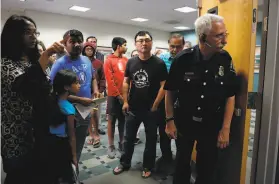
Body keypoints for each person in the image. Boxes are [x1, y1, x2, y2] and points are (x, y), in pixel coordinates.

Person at [164, 14, 237, 184]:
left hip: (211, 124)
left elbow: (230, 95)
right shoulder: (183, 59)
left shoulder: (225, 60)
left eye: (225, 34)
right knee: (181, 164)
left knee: (207, 168)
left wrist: (226, 128)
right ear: (203, 37)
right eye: (219, 35)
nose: (225, 40)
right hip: (185, 121)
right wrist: (169, 120)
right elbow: (170, 92)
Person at [1, 15, 65, 184]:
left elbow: (43, 87)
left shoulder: (30, 61)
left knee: (37, 175)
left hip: (37, 132)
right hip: (15, 134)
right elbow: (24, 86)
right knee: (18, 176)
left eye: (35, 32)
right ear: (13, 35)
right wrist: (46, 55)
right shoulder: (5, 62)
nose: (33, 37)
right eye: (27, 32)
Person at [113, 31, 168, 178]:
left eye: (147, 40)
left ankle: (147, 166)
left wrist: (156, 105)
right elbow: (126, 82)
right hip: (133, 108)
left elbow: (164, 86)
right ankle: (124, 163)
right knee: (128, 138)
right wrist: (125, 101)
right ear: (135, 43)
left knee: (150, 140)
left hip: (152, 109)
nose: (144, 43)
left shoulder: (159, 63)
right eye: (140, 41)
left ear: (151, 42)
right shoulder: (131, 62)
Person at [50, 29, 100, 161]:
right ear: (65, 44)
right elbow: (53, 91)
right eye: (72, 41)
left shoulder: (87, 61)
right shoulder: (59, 64)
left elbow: (93, 77)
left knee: (78, 145)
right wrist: (79, 99)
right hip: (66, 111)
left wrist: (95, 89)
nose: (77, 44)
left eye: (79, 41)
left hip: (85, 110)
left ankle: (74, 170)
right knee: (66, 146)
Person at [47, 69, 80, 183]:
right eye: (76, 83)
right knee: (66, 175)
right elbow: (72, 136)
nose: (79, 85)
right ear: (66, 87)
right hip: (62, 145)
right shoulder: (68, 108)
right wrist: (74, 156)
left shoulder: (50, 101)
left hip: (49, 143)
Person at [157, 33, 185, 165]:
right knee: (164, 132)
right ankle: (166, 156)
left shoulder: (188, 59)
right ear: (168, 45)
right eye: (172, 46)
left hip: (183, 101)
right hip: (165, 100)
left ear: (183, 46)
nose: (174, 49)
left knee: (182, 133)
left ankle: (181, 159)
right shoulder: (162, 59)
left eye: (178, 47)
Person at [104, 37, 128, 159]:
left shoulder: (126, 60)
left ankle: (121, 145)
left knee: (123, 122)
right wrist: (118, 95)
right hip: (113, 97)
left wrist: (125, 97)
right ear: (118, 46)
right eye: (124, 45)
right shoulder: (108, 60)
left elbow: (128, 80)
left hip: (124, 97)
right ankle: (111, 145)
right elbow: (110, 80)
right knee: (111, 121)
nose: (126, 47)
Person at [82, 42, 106, 147]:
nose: (89, 50)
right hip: (83, 93)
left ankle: (96, 134)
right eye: (86, 48)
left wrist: (100, 91)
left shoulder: (98, 63)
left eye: (91, 48)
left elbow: (102, 78)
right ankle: (91, 135)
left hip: (95, 93)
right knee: (86, 115)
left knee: (93, 114)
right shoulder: (80, 62)